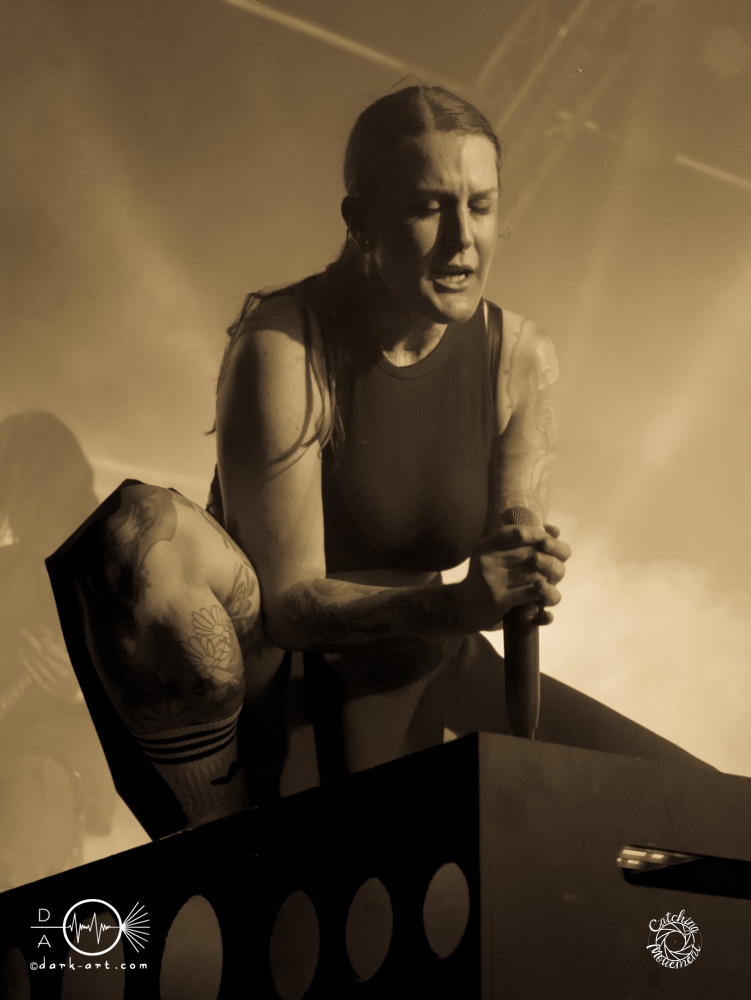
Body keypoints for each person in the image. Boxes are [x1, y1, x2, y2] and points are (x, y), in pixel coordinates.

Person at [63, 86, 711, 837]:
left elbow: (509, 566)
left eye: (480, 206)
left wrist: (523, 570)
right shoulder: (283, 347)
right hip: (291, 680)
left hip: (433, 664)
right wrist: (461, 607)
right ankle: (216, 833)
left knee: (712, 817)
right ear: (360, 221)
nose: (462, 240)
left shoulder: (521, 356)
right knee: (142, 533)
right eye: (428, 208)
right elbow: (289, 606)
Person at [0, 410, 115, 890]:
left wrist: (78, 688)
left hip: (53, 763)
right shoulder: (10, 566)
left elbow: (159, 697)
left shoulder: (110, 565)